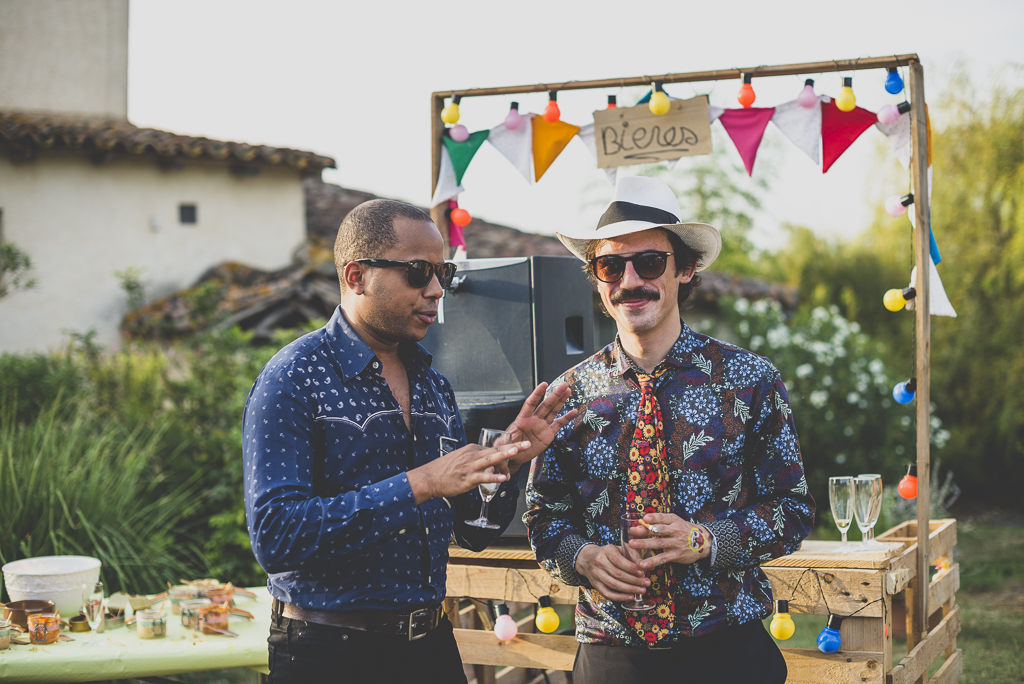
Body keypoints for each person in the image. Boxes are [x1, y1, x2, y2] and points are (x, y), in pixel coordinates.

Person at [243, 199, 576, 683]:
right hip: (329, 653)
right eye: (418, 272)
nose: (438, 290)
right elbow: (276, 537)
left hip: (429, 645)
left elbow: (473, 533)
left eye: (443, 272)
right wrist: (419, 483)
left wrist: (508, 463)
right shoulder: (294, 378)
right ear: (356, 276)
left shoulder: (432, 382)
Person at [525, 176, 815, 683]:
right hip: (611, 655)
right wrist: (584, 558)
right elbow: (543, 516)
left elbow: (792, 508)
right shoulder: (569, 393)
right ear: (597, 278)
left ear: (685, 268)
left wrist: (706, 540)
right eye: (611, 265)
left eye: (650, 262)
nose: (629, 279)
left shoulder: (750, 379)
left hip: (727, 651)